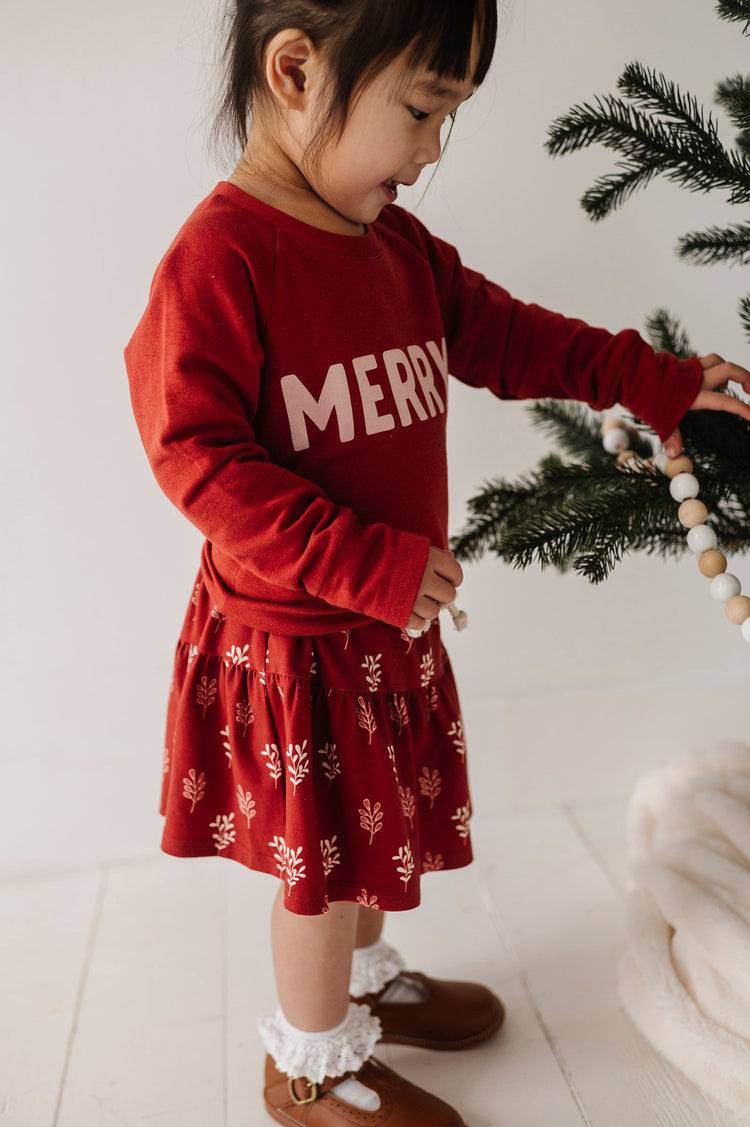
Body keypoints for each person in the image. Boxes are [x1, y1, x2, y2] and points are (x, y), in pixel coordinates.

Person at [124, 1, 750, 1123]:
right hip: (300, 639)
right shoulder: (221, 261)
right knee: (320, 872)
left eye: (448, 117)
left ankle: (364, 985)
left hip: (381, 622)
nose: (431, 151)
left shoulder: (394, 248)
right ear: (299, 72)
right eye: (422, 110)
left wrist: (649, 379)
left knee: (374, 833)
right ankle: (308, 1062)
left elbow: (507, 334)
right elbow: (197, 461)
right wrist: (359, 561)